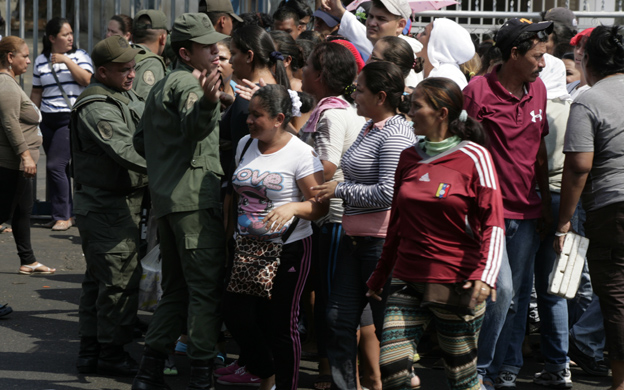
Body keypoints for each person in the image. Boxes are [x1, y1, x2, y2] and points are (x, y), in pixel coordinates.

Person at [367, 77, 503, 390]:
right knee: (393, 370)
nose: (409, 112)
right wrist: (380, 273)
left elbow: (493, 221)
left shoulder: (475, 157)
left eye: (416, 106)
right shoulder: (408, 156)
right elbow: (397, 224)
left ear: (442, 113)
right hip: (407, 278)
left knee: (462, 380)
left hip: (457, 280)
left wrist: (485, 274)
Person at [131, 13, 228, 390]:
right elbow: (194, 125)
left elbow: (142, 141)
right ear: (186, 53)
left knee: (176, 291)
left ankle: (149, 370)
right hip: (192, 203)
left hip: (168, 201)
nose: (216, 52)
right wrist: (208, 101)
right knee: (203, 291)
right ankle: (201, 376)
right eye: (208, 46)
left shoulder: (162, 85)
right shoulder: (189, 84)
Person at [462, 18, 556, 389]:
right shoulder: (476, 91)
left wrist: (545, 203)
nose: (543, 63)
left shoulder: (540, 91)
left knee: (515, 298)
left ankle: (505, 369)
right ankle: (478, 372)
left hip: (530, 213)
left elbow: (539, 154)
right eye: (537, 56)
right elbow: (462, 151)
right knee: (497, 294)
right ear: (514, 54)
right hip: (490, 215)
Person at [313, 61, 417, 390]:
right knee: (338, 320)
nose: (353, 95)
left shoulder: (396, 133)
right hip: (355, 240)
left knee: (390, 332)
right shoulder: (370, 127)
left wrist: (339, 189)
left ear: (381, 96)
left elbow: (389, 193)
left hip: (382, 245)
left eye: (359, 90)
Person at [221, 84, 327, 390]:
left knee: (281, 325)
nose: (249, 120)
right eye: (250, 114)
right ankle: (262, 369)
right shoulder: (244, 144)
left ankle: (285, 385)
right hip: (247, 249)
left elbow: (319, 207)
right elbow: (233, 194)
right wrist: (228, 239)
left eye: (258, 115)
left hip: (289, 249)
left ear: (279, 118)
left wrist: (293, 206)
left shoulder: (301, 153)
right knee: (235, 313)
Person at [71, 35, 147, 377]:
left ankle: (91, 350)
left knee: (99, 280)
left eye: (133, 68)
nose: (131, 74)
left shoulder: (121, 94)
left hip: (116, 203)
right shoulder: (97, 105)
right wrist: (169, 166)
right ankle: (111, 354)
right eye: (123, 70)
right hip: (105, 206)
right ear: (102, 71)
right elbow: (125, 151)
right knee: (118, 281)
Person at [555, 25, 624, 390]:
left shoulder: (588, 100)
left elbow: (579, 165)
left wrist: (563, 221)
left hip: (612, 209)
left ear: (590, 62)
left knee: (615, 297)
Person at [299, 41, 366, 390]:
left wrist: (292, 171)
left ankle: (332, 372)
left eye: (308, 65)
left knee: (331, 298)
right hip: (340, 216)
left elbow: (326, 165)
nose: (303, 71)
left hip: (335, 218)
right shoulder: (342, 108)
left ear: (321, 75)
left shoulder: (330, 115)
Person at [30, 17, 93, 231]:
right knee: (59, 168)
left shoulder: (80, 56)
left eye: (71, 33)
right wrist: (32, 120)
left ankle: (63, 216)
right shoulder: (40, 60)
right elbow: (37, 92)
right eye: (65, 34)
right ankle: (66, 213)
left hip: (69, 118)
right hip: (48, 119)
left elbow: (86, 80)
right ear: (51, 38)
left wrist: (66, 61)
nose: (70, 37)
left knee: (54, 165)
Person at [0, 36, 55, 275]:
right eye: (25, 55)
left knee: (23, 211)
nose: (29, 60)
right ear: (10, 58)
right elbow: (10, 123)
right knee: (4, 214)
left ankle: (28, 260)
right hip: (12, 165)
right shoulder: (5, 84)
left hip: (19, 166)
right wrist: (25, 155)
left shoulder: (11, 82)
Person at [320, 0, 423, 87]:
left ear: (401, 25)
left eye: (381, 19)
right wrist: (339, 11)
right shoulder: (382, 44)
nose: (371, 23)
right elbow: (357, 31)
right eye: (371, 16)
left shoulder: (403, 59)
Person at [416, 18, 475, 90]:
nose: (418, 36)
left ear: (436, 45)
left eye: (424, 33)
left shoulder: (449, 77)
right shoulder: (436, 72)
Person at [131, 9, 168, 100]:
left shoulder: (123, 54)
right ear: (163, 38)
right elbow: (145, 107)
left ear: (132, 38)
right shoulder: (152, 63)